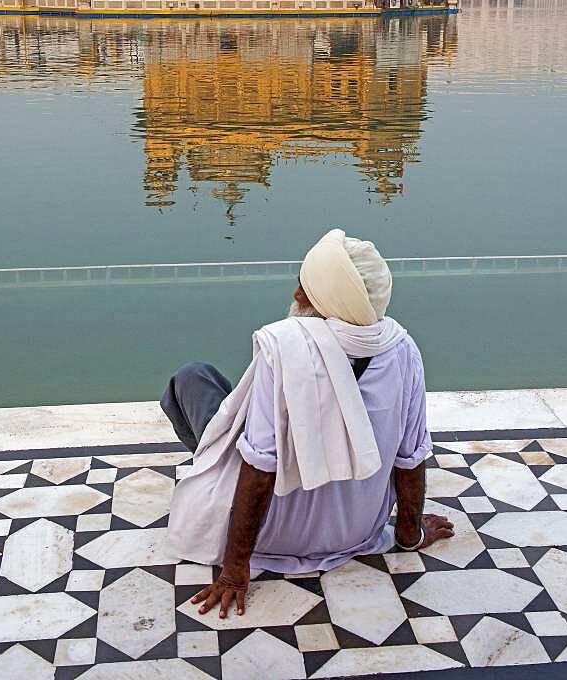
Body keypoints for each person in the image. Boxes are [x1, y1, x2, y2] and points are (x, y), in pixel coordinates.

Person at [161, 228, 453, 619]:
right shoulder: (403, 349)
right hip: (357, 531)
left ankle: (207, 467)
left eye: (304, 285)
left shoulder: (282, 346)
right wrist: (409, 534)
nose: (298, 292)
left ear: (310, 297)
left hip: (273, 536)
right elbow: (411, 457)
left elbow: (260, 468)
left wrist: (234, 571)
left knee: (193, 379)